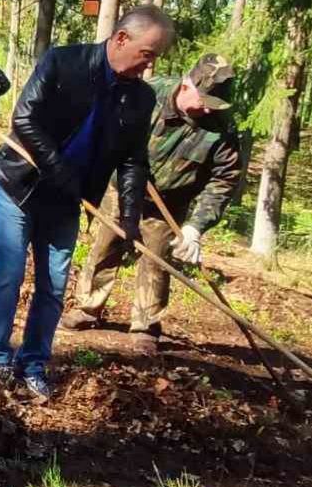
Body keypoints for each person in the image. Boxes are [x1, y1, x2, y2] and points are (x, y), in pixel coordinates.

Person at [0, 6, 175, 400]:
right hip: (20, 187)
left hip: (67, 205)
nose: (149, 65)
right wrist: (61, 174)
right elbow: (25, 119)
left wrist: (130, 215)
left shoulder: (140, 98)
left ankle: (33, 362)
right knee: (9, 276)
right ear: (122, 39)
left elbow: (133, 160)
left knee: (53, 288)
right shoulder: (64, 61)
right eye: (147, 53)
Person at [62, 54, 242, 351]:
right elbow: (108, 128)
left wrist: (196, 227)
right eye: (203, 100)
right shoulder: (148, 94)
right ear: (186, 85)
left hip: (169, 204)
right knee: (104, 246)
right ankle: (87, 307)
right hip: (120, 187)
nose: (206, 109)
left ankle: (146, 324)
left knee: (156, 261)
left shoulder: (222, 130)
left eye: (213, 104)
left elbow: (223, 181)